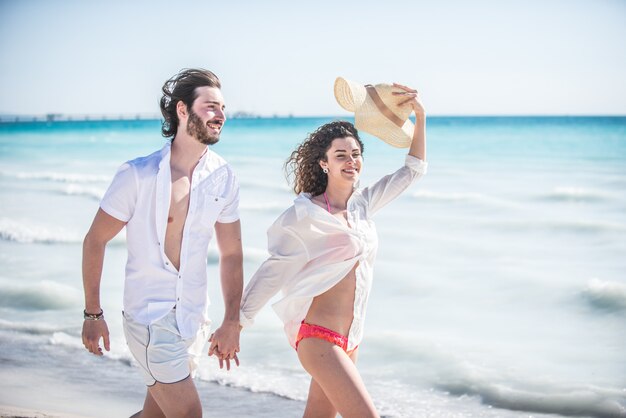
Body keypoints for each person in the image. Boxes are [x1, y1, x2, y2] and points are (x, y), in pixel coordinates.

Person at [239, 78, 428, 418]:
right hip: (318, 338)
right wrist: (237, 321)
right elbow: (274, 268)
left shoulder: (363, 205)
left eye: (355, 154)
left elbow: (412, 171)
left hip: (350, 339)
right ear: (324, 163)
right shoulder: (305, 214)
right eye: (341, 155)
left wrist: (420, 118)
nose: (350, 161)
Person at [81, 68, 243, 418]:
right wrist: (93, 313)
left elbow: (232, 254)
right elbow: (95, 240)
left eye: (223, 108)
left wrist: (232, 320)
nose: (220, 116)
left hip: (194, 316)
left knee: (155, 415)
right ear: (183, 110)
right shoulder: (137, 175)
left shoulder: (223, 176)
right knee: (187, 414)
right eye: (210, 106)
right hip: (150, 318)